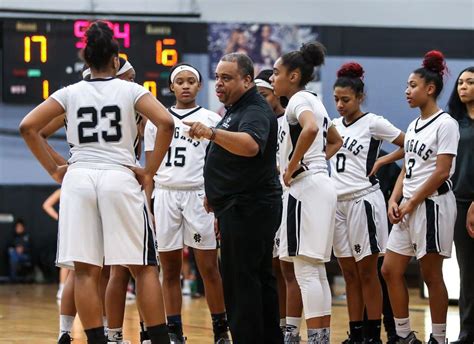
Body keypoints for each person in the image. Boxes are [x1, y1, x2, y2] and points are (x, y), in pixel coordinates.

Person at [19, 21, 174, 344]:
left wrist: (54, 170)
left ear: (86, 61)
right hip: (119, 174)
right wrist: (149, 170)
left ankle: (96, 340)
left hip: (79, 177)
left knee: (86, 270)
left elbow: (28, 127)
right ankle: (158, 339)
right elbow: (166, 123)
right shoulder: (132, 90)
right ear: (116, 59)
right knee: (143, 266)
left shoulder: (69, 93)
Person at [185, 52, 283, 344]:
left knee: (243, 284)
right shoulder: (235, 108)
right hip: (236, 207)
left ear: (247, 80)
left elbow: (251, 145)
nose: (219, 83)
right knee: (256, 280)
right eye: (217, 77)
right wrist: (216, 195)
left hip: (250, 208)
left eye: (226, 78)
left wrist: (212, 134)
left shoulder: (253, 109)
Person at [144, 63, 230, 344]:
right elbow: (149, 168)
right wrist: (148, 205)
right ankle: (174, 331)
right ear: (171, 87)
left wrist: (216, 198)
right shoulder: (156, 119)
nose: (185, 85)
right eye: (179, 81)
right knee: (169, 270)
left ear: (199, 86)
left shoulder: (211, 119)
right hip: (165, 194)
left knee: (208, 268)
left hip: (198, 195)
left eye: (190, 81)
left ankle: (220, 329)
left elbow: (219, 165)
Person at [381, 51, 459, 344]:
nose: (406, 91)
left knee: (431, 275)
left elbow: (441, 171)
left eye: (412, 85)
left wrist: (412, 202)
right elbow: (407, 168)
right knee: (390, 270)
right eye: (406, 85)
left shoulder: (446, 123)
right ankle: (403, 336)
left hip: (432, 206)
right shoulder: (413, 125)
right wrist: (395, 198)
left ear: (430, 88)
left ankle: (438, 338)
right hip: (408, 205)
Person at [271, 42, 343, 344]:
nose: (273, 78)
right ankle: (320, 338)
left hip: (306, 187)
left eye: (276, 73)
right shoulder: (317, 100)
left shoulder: (299, 99)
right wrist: (311, 161)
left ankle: (314, 339)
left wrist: (292, 165)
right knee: (316, 271)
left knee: (306, 273)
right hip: (321, 184)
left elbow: (311, 129)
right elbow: (335, 140)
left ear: (294, 75)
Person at [329, 62, 405, 344]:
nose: (339, 105)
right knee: (348, 274)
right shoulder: (333, 125)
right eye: (336, 99)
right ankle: (356, 333)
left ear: (360, 98)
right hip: (337, 204)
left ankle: (373, 335)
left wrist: (383, 159)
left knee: (367, 272)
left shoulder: (373, 122)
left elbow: (408, 143)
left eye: (345, 100)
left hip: (363, 200)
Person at [255, 69, 304, 343]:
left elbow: (324, 144)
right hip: (265, 199)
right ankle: (276, 324)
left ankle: (290, 328)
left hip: (290, 195)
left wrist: (290, 167)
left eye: (265, 96)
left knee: (287, 267)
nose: (262, 102)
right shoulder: (257, 122)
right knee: (270, 268)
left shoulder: (292, 119)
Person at [447, 65, 474, 344]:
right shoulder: (453, 122)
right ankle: (467, 332)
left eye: (470, 82)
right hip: (459, 202)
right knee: (467, 270)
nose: (463, 87)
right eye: (460, 82)